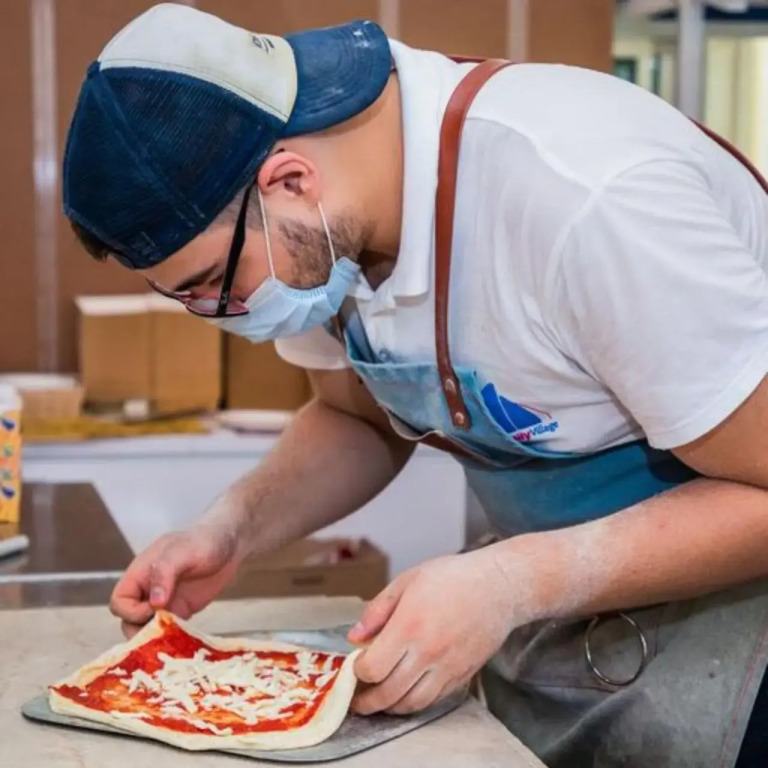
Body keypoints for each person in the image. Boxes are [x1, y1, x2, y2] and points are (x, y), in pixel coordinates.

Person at [62, 4, 768, 766]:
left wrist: (513, 581)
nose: (221, 314)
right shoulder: (325, 227)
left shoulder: (586, 196)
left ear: (291, 181)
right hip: (568, 613)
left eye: (214, 284)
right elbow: (356, 419)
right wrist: (231, 528)